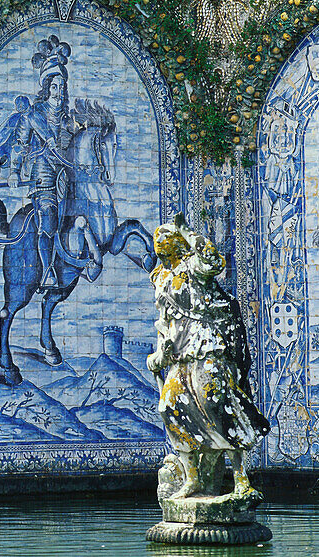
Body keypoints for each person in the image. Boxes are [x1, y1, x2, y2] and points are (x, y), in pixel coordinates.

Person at [147, 214, 270, 499]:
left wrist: (187, 230)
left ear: (178, 244)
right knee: (170, 407)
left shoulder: (194, 266)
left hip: (206, 346)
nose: (160, 241)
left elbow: (214, 262)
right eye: (158, 238)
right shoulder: (161, 278)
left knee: (217, 407)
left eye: (167, 237)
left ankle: (241, 479)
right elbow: (165, 320)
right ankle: (192, 480)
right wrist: (158, 353)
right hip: (179, 353)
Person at [0, 35, 79, 289]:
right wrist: (13, 172)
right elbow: (20, 146)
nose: (59, 91)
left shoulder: (67, 117)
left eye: (62, 87)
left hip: (65, 172)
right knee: (49, 217)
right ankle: (48, 272)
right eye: (55, 87)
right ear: (46, 89)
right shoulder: (33, 116)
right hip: (42, 173)